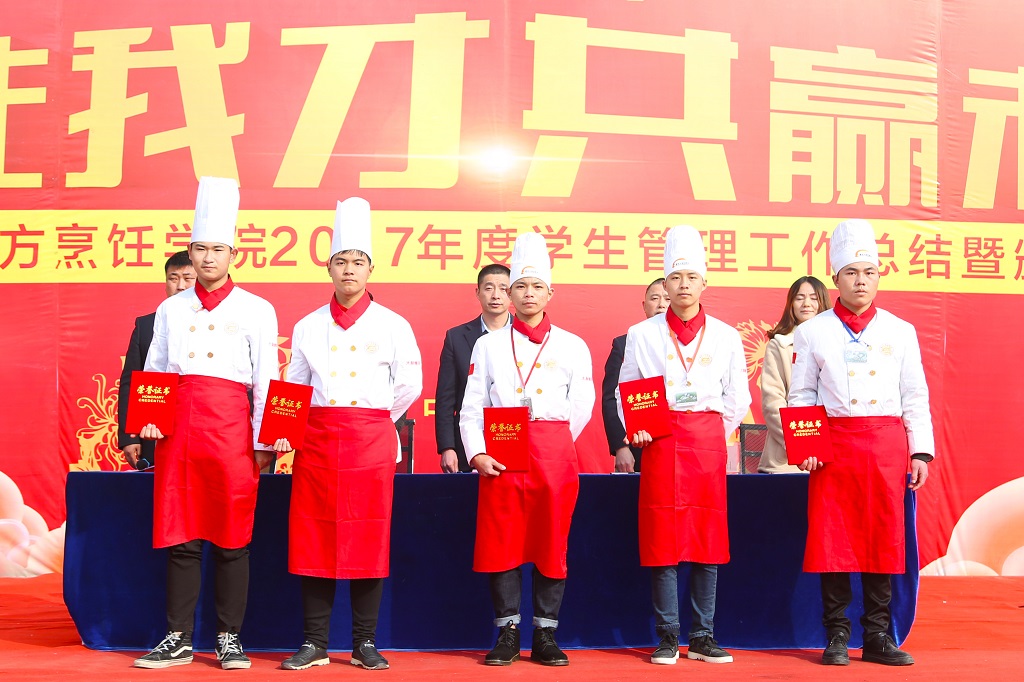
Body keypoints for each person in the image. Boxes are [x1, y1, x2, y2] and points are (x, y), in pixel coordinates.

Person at [133, 177, 279, 670]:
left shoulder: (257, 309)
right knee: (181, 535)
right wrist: (149, 421)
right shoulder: (171, 307)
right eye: (201, 249)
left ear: (234, 254)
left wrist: (266, 441)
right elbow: (155, 369)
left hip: (233, 430)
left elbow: (267, 378)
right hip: (179, 430)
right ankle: (176, 637)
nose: (208, 258)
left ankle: (228, 638)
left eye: (218, 249)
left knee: (233, 536)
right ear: (190, 253)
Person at [274, 198, 422, 671]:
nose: (349, 270)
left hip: (370, 441)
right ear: (329, 268)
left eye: (358, 261)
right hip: (317, 441)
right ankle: (314, 642)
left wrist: (373, 418)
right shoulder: (308, 325)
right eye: (341, 261)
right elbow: (294, 387)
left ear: (371, 269)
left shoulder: (394, 324)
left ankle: (364, 642)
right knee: (313, 537)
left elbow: (410, 385)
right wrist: (284, 432)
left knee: (368, 538)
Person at [790, 219, 934, 667]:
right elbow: (802, 395)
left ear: (878, 276)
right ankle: (836, 635)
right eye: (851, 272)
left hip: (886, 446)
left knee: (882, 539)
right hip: (833, 446)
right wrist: (807, 447)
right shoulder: (813, 331)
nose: (861, 281)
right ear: (835, 277)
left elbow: (915, 394)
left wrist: (919, 450)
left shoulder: (900, 330)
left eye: (869, 272)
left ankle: (877, 636)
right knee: (832, 542)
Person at [460, 232, 594, 667]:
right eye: (520, 286)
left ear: (550, 293)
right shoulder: (488, 343)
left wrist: (555, 439)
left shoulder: (572, 344)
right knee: (503, 541)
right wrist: (477, 452)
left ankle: (546, 634)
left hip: (554, 453)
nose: (528, 294)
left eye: (537, 286)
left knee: (551, 541)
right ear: (509, 294)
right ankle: (507, 632)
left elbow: (582, 403)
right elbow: (472, 405)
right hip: (502, 450)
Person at [618, 225, 750, 666]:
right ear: (665, 283)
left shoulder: (726, 335)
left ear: (704, 282)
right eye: (675, 278)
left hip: (708, 443)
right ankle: (668, 636)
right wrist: (639, 428)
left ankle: (704, 635)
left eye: (691, 277)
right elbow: (627, 389)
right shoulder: (642, 333)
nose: (683, 285)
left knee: (707, 539)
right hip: (660, 441)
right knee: (663, 538)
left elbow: (738, 397)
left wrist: (713, 430)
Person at [117, 251, 195, 470]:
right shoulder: (146, 326)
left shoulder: (219, 322)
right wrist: (130, 435)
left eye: (188, 278)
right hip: (153, 431)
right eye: (173, 278)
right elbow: (131, 383)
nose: (180, 286)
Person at [435, 264, 512, 473]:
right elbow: (446, 398)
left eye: (503, 288)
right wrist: (447, 447)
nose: (496, 295)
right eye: (489, 288)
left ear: (513, 293)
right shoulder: (456, 337)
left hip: (513, 436)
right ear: (477, 292)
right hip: (468, 440)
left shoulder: (525, 337)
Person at [758, 276, 832, 473]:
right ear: (791, 304)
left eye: (813, 298)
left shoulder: (840, 343)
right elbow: (773, 402)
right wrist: (801, 444)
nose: (806, 303)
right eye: (799, 298)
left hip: (835, 452)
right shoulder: (779, 345)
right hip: (789, 458)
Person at [602, 278, 668, 473]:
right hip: (639, 443)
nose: (661, 304)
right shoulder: (625, 343)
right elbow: (611, 398)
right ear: (644, 305)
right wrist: (621, 447)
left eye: (667, 299)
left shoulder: (689, 345)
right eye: (654, 298)